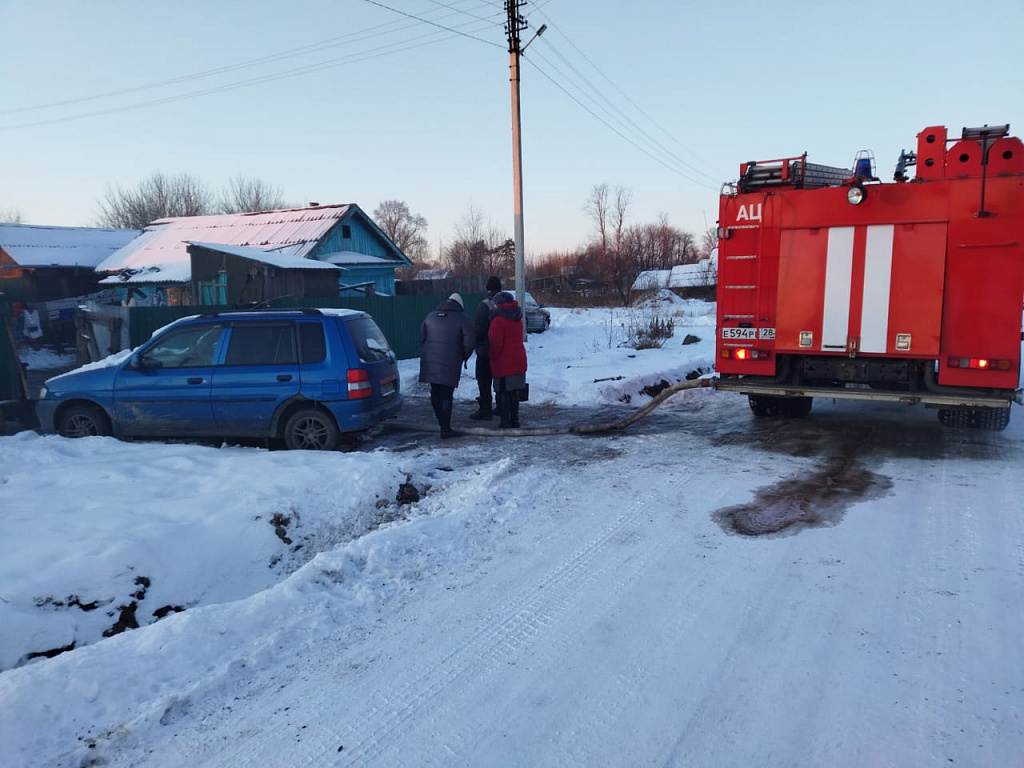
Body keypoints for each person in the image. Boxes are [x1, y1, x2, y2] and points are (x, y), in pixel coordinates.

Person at [419, 292, 475, 439]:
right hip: (450, 362)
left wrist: (429, 354)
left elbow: (422, 338)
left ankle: (441, 423)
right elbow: (469, 342)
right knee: (446, 394)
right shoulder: (462, 318)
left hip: (430, 361)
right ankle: (445, 429)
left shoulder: (430, 316)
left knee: (435, 392)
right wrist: (462, 357)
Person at [488, 291, 528, 429]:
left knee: (503, 392)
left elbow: (495, 343)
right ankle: (514, 420)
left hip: (504, 361)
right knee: (513, 392)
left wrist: (491, 357)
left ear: (499, 305)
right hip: (518, 359)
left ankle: (505, 421)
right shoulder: (517, 318)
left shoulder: (498, 321)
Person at [470, 275, 503, 420]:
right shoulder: (507, 303)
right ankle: (502, 406)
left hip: (485, 349)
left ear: (487, 289)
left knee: (483, 380)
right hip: (502, 350)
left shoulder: (484, 305)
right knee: (501, 379)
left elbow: (479, 328)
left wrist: (474, 342)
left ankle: (485, 408)